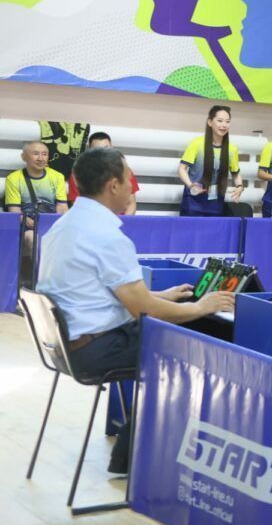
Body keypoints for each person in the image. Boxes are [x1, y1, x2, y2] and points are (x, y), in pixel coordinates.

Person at [36, 147, 235, 474]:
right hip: (96, 350)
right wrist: (201, 306)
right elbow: (145, 310)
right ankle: (136, 459)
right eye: (129, 179)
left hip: (65, 346)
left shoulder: (62, 226)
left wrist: (162, 295)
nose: (133, 186)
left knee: (177, 334)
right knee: (193, 351)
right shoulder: (106, 237)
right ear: (113, 185)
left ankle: (135, 452)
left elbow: (95, 293)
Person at [4, 141, 68, 266]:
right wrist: (35, 224)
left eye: (44, 154)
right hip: (27, 225)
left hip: (51, 223)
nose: (41, 158)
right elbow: (15, 213)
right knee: (33, 238)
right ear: (24, 157)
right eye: (36, 154)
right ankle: (41, 275)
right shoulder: (14, 178)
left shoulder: (57, 177)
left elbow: (62, 208)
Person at [178, 105, 244, 216]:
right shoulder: (197, 143)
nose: (224, 125)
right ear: (210, 122)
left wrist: (240, 187)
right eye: (220, 121)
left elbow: (235, 173)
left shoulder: (232, 149)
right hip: (193, 201)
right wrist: (190, 185)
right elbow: (182, 169)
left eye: (227, 121)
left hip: (216, 202)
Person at [67, 132, 139, 214]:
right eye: (98, 151)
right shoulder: (78, 175)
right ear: (90, 151)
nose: (103, 155)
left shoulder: (124, 171)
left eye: (107, 149)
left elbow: (131, 204)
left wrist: (122, 222)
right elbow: (78, 208)